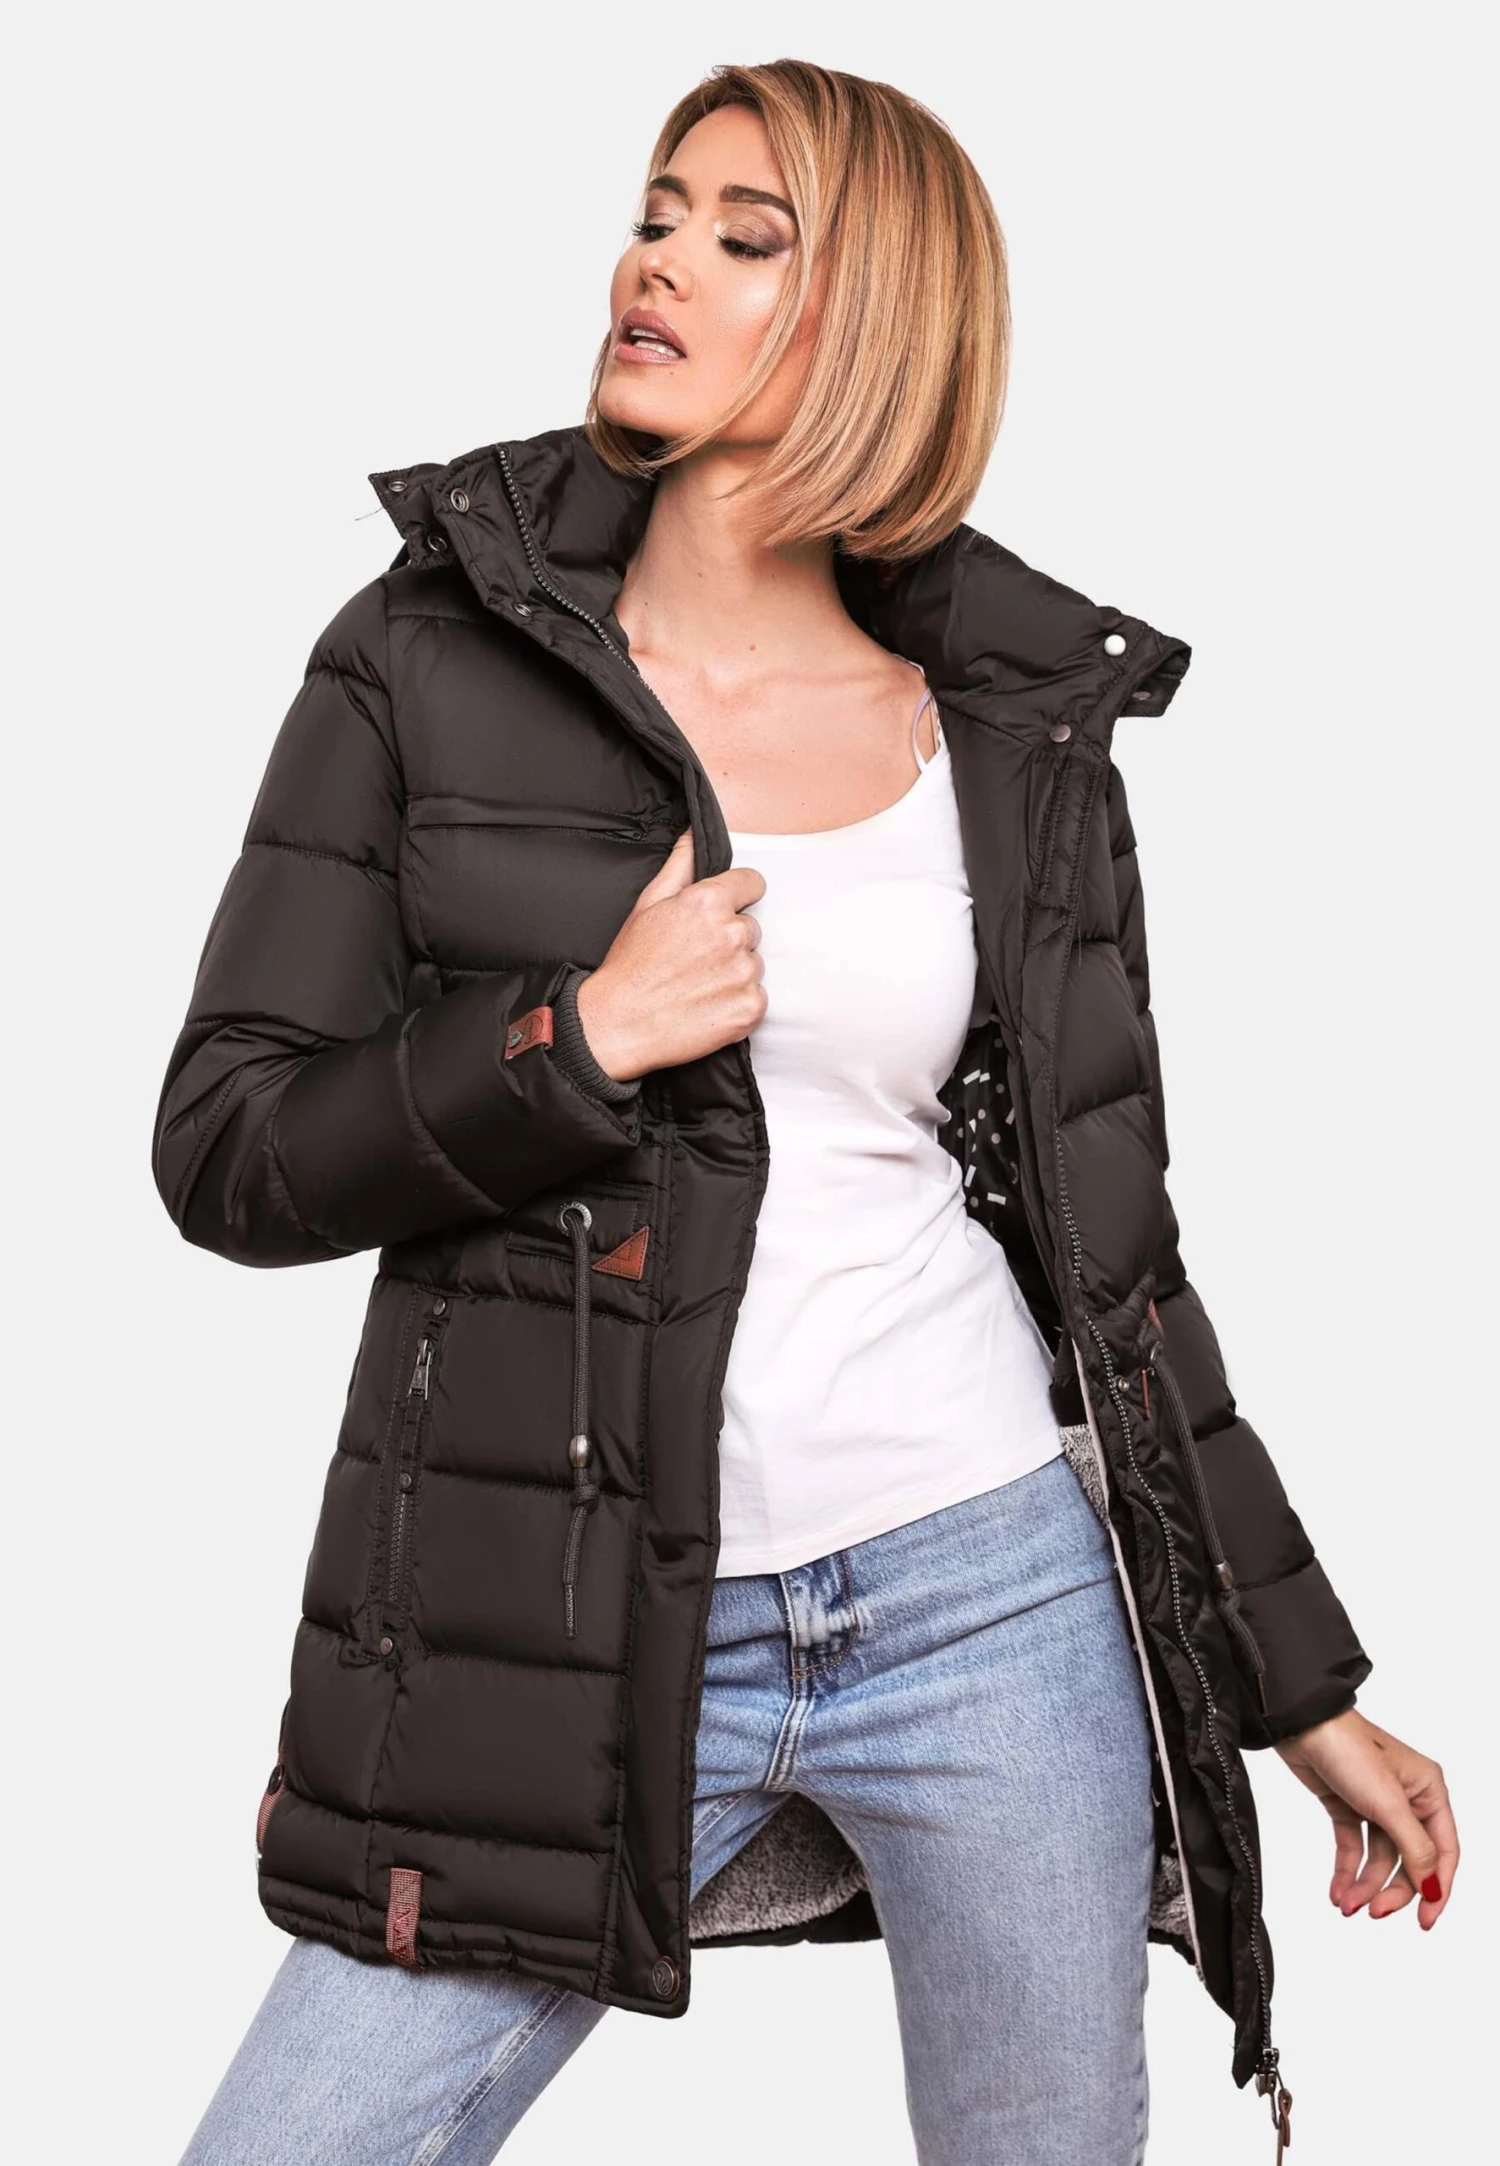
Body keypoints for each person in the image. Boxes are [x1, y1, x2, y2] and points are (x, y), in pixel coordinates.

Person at [154, 58, 1457, 2166]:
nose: (658, 259)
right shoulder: (421, 657)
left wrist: (1297, 1691)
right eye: (658, 211)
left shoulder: (1010, 737)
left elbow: (1119, 1268)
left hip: (991, 1595)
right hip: (575, 1620)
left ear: (881, 326)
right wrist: (576, 1037)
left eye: (745, 236)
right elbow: (229, 1144)